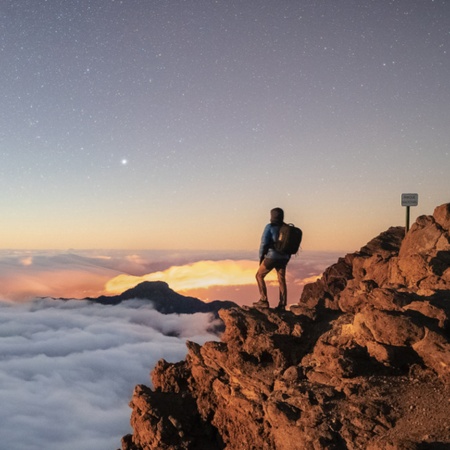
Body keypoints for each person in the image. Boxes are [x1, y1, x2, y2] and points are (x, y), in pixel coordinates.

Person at [253, 207, 290, 311]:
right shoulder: (286, 228)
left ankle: (263, 300)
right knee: (281, 279)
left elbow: (264, 243)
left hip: (272, 257)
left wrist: (261, 258)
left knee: (259, 275)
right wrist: (286, 257)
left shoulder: (269, 227)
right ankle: (282, 304)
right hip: (284, 258)